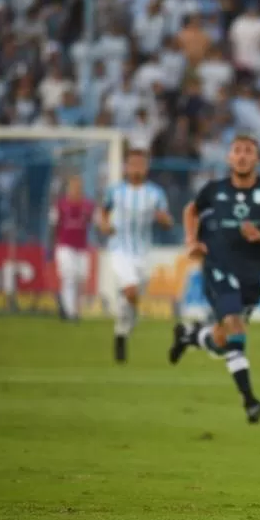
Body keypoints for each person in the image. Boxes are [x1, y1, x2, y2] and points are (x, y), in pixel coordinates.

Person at [168, 134, 260, 424]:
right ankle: (250, 401)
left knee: (222, 339)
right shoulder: (214, 190)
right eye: (236, 151)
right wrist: (192, 240)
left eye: (247, 151)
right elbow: (191, 210)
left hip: (252, 274)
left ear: (257, 158)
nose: (241, 156)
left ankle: (190, 336)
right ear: (229, 158)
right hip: (217, 266)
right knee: (235, 328)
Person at [99, 149, 174, 363]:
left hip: (143, 253)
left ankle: (123, 330)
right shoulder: (115, 190)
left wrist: (164, 219)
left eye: (141, 164)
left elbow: (168, 221)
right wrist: (104, 224)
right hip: (119, 248)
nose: (136, 168)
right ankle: (123, 331)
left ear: (147, 167)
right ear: (126, 166)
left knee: (131, 296)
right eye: (133, 164)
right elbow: (103, 211)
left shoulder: (156, 193)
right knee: (130, 290)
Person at [51, 175, 95, 321]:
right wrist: (51, 246)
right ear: (68, 189)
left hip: (82, 247)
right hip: (65, 246)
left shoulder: (88, 205)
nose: (76, 190)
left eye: (79, 187)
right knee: (69, 277)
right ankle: (70, 312)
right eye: (73, 187)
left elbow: (96, 222)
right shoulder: (60, 205)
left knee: (81, 278)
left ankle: (74, 308)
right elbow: (53, 225)